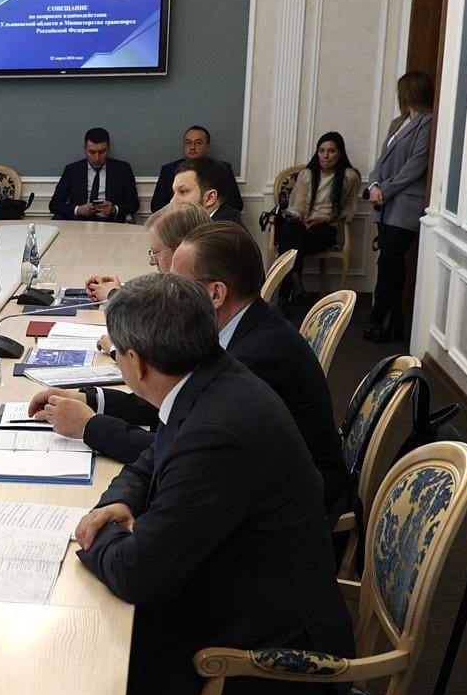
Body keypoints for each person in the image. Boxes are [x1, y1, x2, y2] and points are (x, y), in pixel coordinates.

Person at [73, 274, 352, 695]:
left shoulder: (216, 426)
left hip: (277, 667)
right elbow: (153, 456)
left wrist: (95, 539)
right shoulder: (211, 380)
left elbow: (139, 573)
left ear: (135, 362)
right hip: (254, 598)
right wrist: (118, 503)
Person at [38, 222, 349, 517]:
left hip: (289, 512)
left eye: (179, 285)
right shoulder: (241, 328)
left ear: (215, 294)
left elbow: (183, 449)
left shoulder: (256, 356)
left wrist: (90, 427)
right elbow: (172, 409)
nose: (167, 293)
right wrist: (91, 399)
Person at [364, 71, 433, 342]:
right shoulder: (398, 122)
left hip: (405, 204)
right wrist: (373, 184)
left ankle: (378, 317)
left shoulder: (428, 122)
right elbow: (381, 161)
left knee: (390, 260)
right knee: (390, 263)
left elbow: (416, 165)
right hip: (385, 203)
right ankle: (392, 322)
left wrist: (385, 189)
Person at [86, 201, 210, 302]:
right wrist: (119, 291)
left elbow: (156, 316)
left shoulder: (196, 297)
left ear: (181, 251)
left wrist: (113, 295)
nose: (152, 262)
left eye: (156, 252)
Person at [275, 131, 362, 261]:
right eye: (321, 151)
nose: (325, 156)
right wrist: (300, 218)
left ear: (340, 154)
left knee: (292, 243)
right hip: (302, 223)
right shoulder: (306, 174)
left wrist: (325, 218)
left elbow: (348, 210)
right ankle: (293, 274)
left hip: (325, 227)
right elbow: (298, 206)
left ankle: (288, 274)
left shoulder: (349, 177)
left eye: (331, 151)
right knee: (291, 232)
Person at [50, 127, 139, 223]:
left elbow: (133, 203)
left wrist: (114, 209)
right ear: (85, 149)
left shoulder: (122, 169)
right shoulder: (72, 170)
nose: (97, 158)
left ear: (108, 148)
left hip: (110, 222)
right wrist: (78, 210)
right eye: (92, 152)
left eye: (102, 152)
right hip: (79, 223)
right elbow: (54, 204)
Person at [150, 125, 243, 214]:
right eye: (188, 143)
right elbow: (156, 205)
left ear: (207, 147)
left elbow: (236, 204)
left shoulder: (222, 168)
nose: (192, 147)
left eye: (198, 143)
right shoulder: (168, 170)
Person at [169, 157, 242, 225]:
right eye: (174, 193)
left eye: (183, 191)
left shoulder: (222, 232)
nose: (172, 201)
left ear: (210, 197)